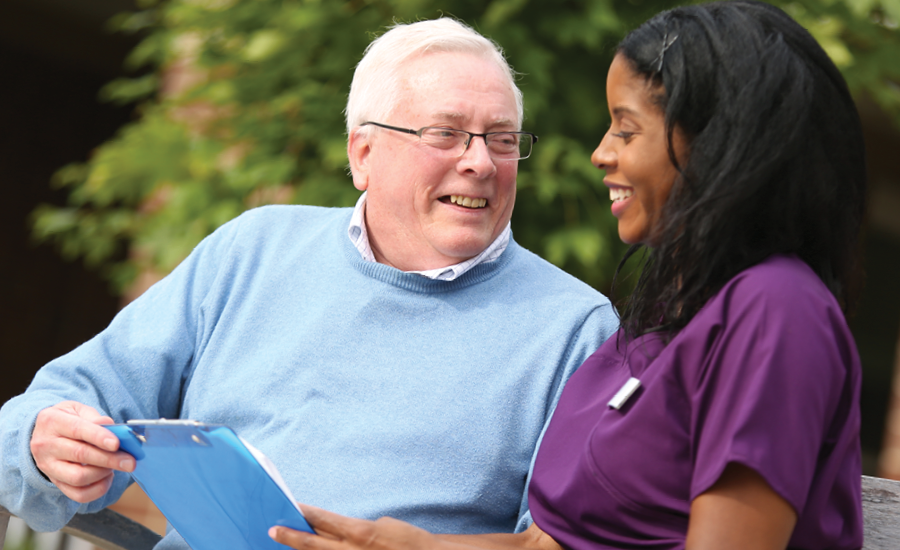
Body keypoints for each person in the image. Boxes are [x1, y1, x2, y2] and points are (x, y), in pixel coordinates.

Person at [0, 17, 619, 549]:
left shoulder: (576, 329)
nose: (481, 161)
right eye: (447, 134)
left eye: (503, 140)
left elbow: (569, 541)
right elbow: (56, 402)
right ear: (362, 154)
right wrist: (44, 444)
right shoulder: (253, 250)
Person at [267, 2, 867, 549]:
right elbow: (547, 546)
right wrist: (405, 545)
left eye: (626, 130)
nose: (600, 153)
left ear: (718, 143)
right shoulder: (668, 318)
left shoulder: (775, 309)